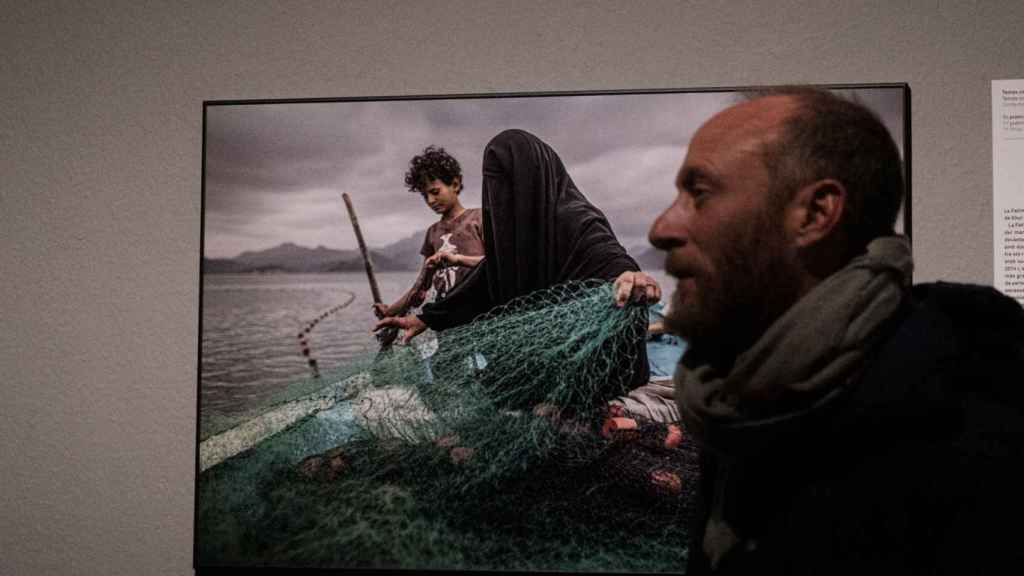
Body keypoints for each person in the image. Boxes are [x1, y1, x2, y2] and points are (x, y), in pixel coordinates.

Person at [649, 87, 1024, 574]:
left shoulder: (977, 436)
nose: (661, 228)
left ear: (816, 214)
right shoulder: (744, 404)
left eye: (698, 194)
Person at [375, 128, 662, 397]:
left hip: (594, 361)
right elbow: (485, 281)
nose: (500, 195)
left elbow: (610, 258)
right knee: (494, 381)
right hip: (549, 356)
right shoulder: (512, 233)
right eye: (494, 184)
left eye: (508, 182)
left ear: (532, 177)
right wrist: (425, 318)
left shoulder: (575, 219)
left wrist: (631, 276)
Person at [373, 146, 486, 321]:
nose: (431, 201)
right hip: (446, 320)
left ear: (455, 184)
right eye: (425, 196)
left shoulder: (478, 218)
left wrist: (458, 259)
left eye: (435, 192)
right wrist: (391, 311)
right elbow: (421, 286)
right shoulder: (432, 233)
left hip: (481, 315)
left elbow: (496, 264)